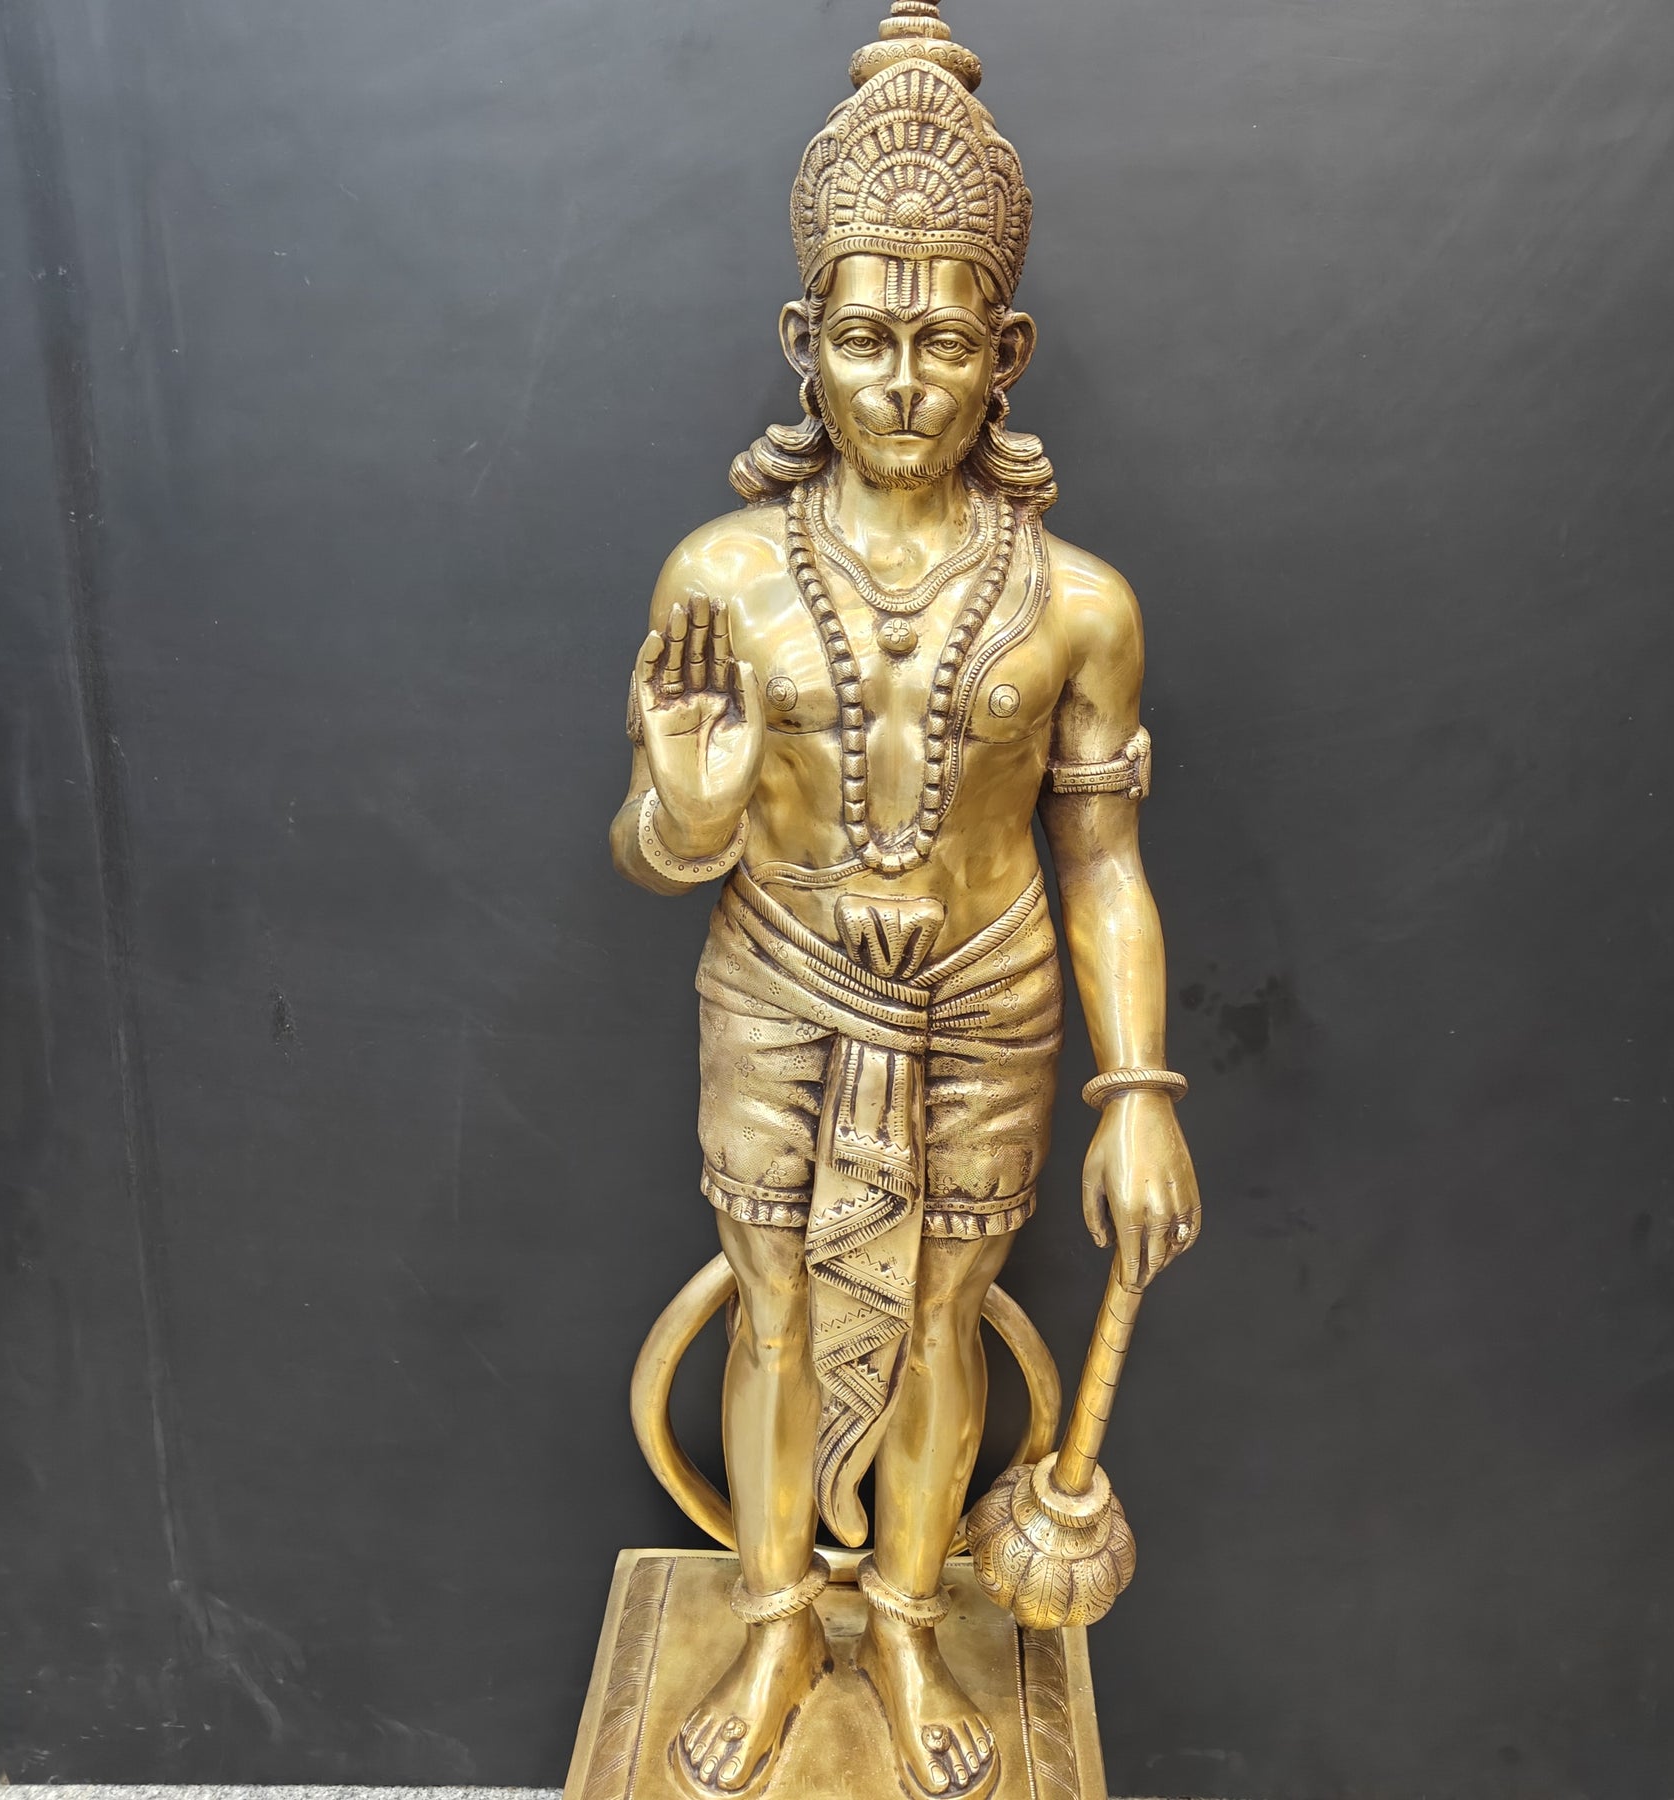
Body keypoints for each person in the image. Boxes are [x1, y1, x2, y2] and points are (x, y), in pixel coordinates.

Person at [611, 11, 1199, 1799]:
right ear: (806, 346)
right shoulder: (721, 576)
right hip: (777, 986)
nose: (903, 384)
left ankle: (909, 1619)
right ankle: (777, 1617)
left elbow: (1103, 861)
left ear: (1004, 353)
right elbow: (657, 845)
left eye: (945, 342)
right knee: (776, 1310)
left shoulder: (1081, 604)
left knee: (947, 1315)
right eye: (864, 339)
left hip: (990, 998)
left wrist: (1140, 1093)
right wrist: (687, 807)